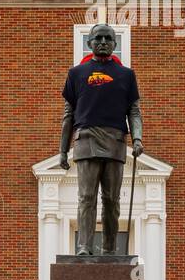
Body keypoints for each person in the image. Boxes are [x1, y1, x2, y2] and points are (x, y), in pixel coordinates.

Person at [59, 23, 143, 255]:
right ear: (89, 43)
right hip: (85, 139)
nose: (103, 42)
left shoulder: (127, 75)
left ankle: (108, 250)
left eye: (108, 38)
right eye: (98, 38)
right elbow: (68, 115)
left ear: (115, 44)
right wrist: (63, 150)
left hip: (115, 141)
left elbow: (134, 111)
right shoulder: (76, 74)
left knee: (112, 200)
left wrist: (137, 138)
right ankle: (84, 247)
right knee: (86, 197)